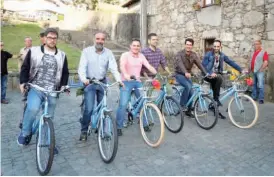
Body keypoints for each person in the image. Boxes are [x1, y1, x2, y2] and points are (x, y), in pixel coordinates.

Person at [17, 28, 69, 153]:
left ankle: (47, 142)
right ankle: (25, 133)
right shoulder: (34, 51)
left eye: (54, 38)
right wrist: (23, 82)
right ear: (45, 38)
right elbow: (25, 67)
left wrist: (64, 85)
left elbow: (65, 72)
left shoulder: (62, 55)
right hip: (36, 87)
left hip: (52, 90)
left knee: (49, 117)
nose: (52, 40)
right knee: (33, 108)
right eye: (49, 37)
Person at [78, 32, 123, 141]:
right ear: (94, 39)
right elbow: (82, 67)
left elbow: (113, 68)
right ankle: (84, 130)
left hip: (102, 82)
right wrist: (84, 79)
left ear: (104, 41)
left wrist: (119, 80)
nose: (100, 41)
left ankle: (103, 129)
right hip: (90, 82)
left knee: (103, 107)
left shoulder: (108, 53)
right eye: (98, 38)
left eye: (102, 39)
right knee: (89, 109)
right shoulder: (86, 52)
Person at [116, 38, 157, 136]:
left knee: (144, 101)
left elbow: (148, 65)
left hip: (137, 82)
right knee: (123, 104)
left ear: (140, 47)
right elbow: (122, 66)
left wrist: (156, 73)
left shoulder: (141, 56)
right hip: (126, 81)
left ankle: (145, 122)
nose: (136, 47)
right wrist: (125, 74)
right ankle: (118, 126)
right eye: (134, 45)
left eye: (138, 46)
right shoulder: (125, 55)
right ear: (130, 46)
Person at [202, 40, 243, 119]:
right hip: (207, 75)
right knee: (218, 81)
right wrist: (210, 73)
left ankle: (214, 107)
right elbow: (204, 66)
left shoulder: (222, 55)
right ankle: (216, 101)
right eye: (215, 46)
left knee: (216, 88)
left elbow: (231, 62)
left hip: (216, 76)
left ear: (220, 47)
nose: (216, 48)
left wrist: (240, 69)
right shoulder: (208, 55)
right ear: (213, 47)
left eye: (218, 46)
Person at [174, 38, 207, 117]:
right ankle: (182, 105)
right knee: (188, 86)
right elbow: (180, 64)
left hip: (187, 75)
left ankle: (189, 110)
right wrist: (185, 72)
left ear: (192, 46)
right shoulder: (179, 54)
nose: (188, 46)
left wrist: (206, 73)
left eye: (190, 45)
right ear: (185, 45)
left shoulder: (193, 55)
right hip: (179, 74)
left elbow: (200, 64)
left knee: (192, 91)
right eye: (187, 44)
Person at [249, 39, 269, 104]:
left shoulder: (263, 52)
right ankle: (254, 97)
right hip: (253, 71)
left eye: (257, 44)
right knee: (254, 84)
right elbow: (251, 61)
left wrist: (261, 69)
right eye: (255, 44)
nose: (256, 45)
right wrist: (249, 69)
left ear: (260, 44)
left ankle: (261, 99)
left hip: (260, 71)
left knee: (260, 85)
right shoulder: (253, 52)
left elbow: (266, 62)